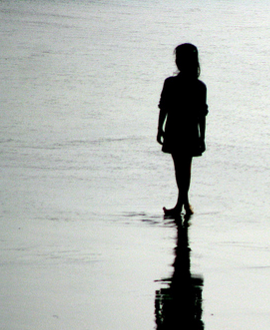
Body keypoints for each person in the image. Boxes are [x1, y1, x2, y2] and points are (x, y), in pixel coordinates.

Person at [157, 43, 208, 217]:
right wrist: (202, 137)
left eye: (179, 58)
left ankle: (181, 204)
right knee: (184, 168)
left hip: (177, 130)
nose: (178, 62)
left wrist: (160, 129)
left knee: (181, 168)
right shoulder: (198, 86)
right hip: (187, 131)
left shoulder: (172, 83)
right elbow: (201, 114)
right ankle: (183, 204)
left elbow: (165, 107)